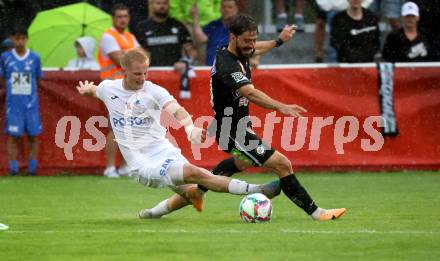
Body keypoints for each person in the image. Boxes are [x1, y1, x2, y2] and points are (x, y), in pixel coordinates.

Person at [144, 14, 347, 221]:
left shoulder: (240, 50)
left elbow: (256, 48)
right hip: (232, 131)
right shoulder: (227, 64)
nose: (251, 45)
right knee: (282, 164)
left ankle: (183, 198)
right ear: (233, 37)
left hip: (235, 126)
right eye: (247, 40)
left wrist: (279, 41)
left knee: (240, 164)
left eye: (253, 39)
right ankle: (317, 213)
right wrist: (280, 106)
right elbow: (249, 92)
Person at [76, 48, 279, 216]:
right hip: (142, 163)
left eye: (146, 72)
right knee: (195, 173)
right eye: (138, 74)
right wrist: (87, 89)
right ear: (124, 71)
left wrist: (189, 127)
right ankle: (256, 190)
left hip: (164, 150)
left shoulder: (153, 90)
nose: (143, 78)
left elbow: (176, 109)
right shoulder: (108, 88)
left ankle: (152, 213)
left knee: (191, 192)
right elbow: (97, 90)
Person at [98, 3, 140, 178]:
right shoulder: (108, 36)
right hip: (114, 87)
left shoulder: (130, 36)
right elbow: (121, 61)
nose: (123, 19)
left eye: (125, 16)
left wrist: (129, 55)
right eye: (120, 16)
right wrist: (132, 55)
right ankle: (109, 167)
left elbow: (144, 58)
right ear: (113, 18)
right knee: (115, 129)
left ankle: (124, 166)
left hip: (129, 87)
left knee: (129, 128)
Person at [134, 0, 198, 99]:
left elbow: (192, 51)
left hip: (175, 76)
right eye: (158, 3)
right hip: (151, 77)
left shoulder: (178, 25)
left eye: (164, 3)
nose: (162, 6)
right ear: (151, 5)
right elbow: (135, 53)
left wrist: (186, 62)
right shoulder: (141, 27)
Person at [0, 27, 43, 176]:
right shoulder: (5, 57)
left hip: (31, 105)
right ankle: (13, 169)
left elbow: (37, 79)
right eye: (17, 38)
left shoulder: (35, 57)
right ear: (13, 39)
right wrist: (12, 93)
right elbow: (3, 78)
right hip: (13, 105)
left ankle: (32, 169)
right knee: (13, 136)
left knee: (33, 136)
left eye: (23, 38)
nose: (20, 41)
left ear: (27, 39)